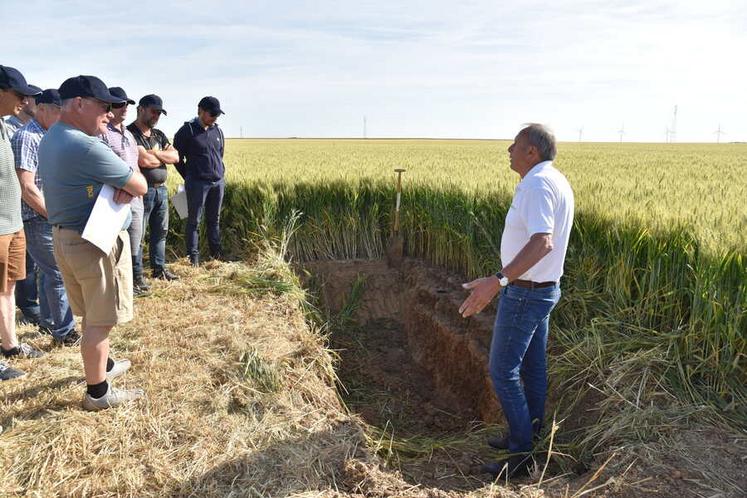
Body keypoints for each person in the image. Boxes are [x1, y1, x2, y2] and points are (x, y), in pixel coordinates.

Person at [459, 124, 574, 478]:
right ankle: (527, 437)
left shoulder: (538, 185)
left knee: (502, 371)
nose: (509, 149)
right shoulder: (553, 179)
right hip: (539, 290)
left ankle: (523, 457)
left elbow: (543, 242)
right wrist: (499, 277)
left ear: (532, 152)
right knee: (532, 369)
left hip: (525, 293)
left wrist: (498, 281)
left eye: (516, 145)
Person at [38, 75, 147, 409]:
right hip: (93, 243)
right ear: (79, 104)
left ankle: (106, 365)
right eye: (103, 107)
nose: (109, 115)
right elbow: (139, 184)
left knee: (90, 312)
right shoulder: (84, 145)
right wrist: (127, 184)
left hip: (66, 238)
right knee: (101, 319)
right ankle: (98, 393)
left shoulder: (52, 136)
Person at [12, 88, 79, 346]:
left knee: (49, 273)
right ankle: (66, 333)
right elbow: (27, 187)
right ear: (42, 108)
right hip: (39, 218)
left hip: (50, 215)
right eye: (57, 111)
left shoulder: (50, 135)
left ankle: (52, 323)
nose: (62, 116)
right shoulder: (27, 137)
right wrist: (53, 214)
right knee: (59, 273)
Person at [0, 65, 43, 381]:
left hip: (13, 223)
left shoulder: (4, 127)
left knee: (7, 289)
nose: (25, 101)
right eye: (20, 95)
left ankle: (10, 346)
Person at [100, 87, 148, 296]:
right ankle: (115, 286)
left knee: (135, 240)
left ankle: (132, 281)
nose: (124, 108)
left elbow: (135, 166)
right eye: (119, 104)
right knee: (115, 244)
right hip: (115, 199)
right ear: (108, 107)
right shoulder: (102, 134)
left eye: (127, 104)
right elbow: (102, 167)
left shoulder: (128, 134)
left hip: (135, 198)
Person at [128, 94, 179, 281]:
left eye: (159, 113)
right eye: (153, 112)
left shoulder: (159, 134)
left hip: (161, 190)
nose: (156, 116)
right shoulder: (131, 133)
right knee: (138, 234)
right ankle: (137, 274)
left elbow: (175, 157)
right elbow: (144, 160)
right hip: (142, 192)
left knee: (160, 232)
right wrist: (160, 155)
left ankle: (159, 270)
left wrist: (154, 152)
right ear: (141, 109)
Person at [4, 87, 42, 327]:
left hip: (16, 212)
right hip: (17, 209)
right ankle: (28, 306)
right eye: (29, 97)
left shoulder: (27, 130)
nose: (31, 102)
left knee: (24, 267)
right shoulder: (12, 130)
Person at [173, 96, 226, 266]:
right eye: (212, 114)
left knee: (214, 220)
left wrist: (219, 172)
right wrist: (189, 176)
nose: (215, 118)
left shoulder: (217, 131)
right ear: (200, 111)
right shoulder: (186, 131)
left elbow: (220, 154)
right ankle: (193, 259)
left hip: (217, 183)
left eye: (217, 115)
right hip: (197, 184)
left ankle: (216, 257)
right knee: (194, 221)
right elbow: (177, 159)